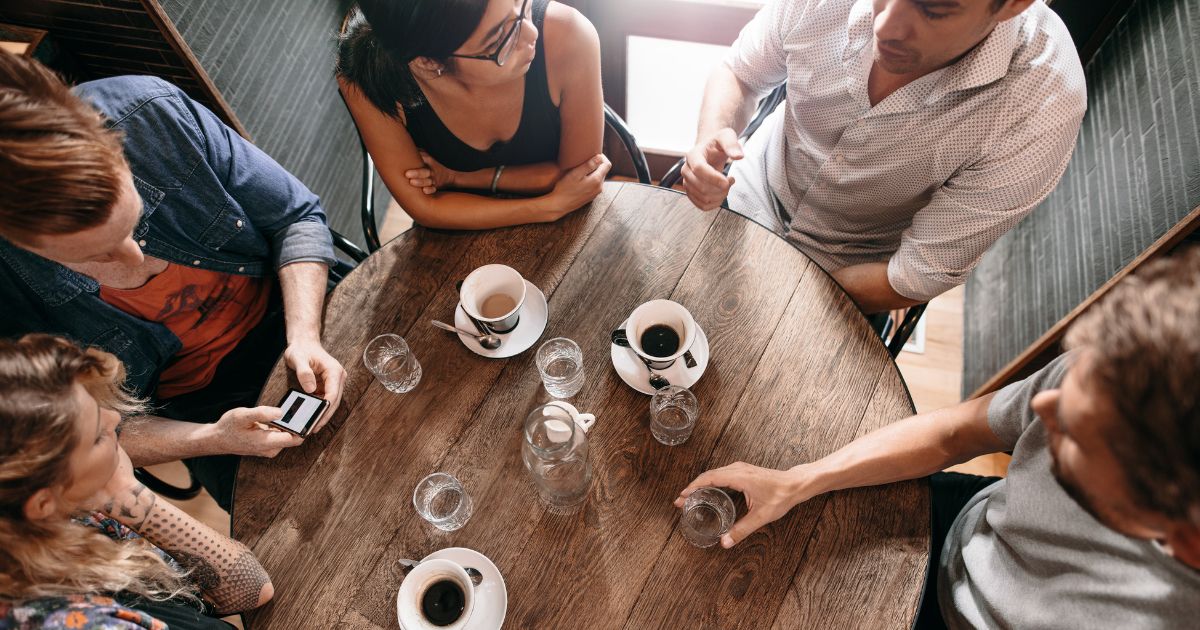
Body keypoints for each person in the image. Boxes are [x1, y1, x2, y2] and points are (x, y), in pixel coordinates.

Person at [676, 247, 1200, 628]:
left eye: (1076, 434)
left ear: (1183, 537)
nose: (1043, 410)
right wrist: (799, 480)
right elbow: (954, 433)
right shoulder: (1121, 376)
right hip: (966, 528)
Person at [0, 53, 347, 510]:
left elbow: (295, 218)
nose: (135, 256)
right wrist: (213, 437)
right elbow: (81, 437)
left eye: (133, 222)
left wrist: (304, 334)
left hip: (300, 306)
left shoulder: (150, 112)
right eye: (94, 254)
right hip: (204, 406)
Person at [682, 0, 1087, 313]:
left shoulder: (1042, 102)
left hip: (847, 271)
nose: (885, 26)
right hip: (747, 191)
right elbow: (740, 72)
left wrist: (789, 294)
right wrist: (710, 135)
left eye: (933, 9)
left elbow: (912, 275)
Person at [0, 334, 274, 629]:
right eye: (96, 437)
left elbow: (250, 590)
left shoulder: (79, 511)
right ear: (42, 502)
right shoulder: (74, 622)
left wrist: (124, 490)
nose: (114, 421)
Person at [336, 0, 612, 230]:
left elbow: (580, 177)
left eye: (520, 3)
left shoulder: (569, 34)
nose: (531, 34)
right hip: (457, 235)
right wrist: (547, 207)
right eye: (500, 39)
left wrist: (460, 179)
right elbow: (425, 207)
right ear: (428, 63)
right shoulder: (366, 77)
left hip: (571, 220)